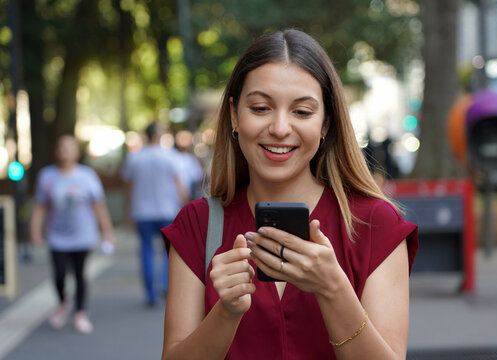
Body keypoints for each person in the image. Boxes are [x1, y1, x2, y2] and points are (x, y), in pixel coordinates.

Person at [161, 29, 418, 359]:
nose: (280, 128)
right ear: (235, 114)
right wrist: (226, 312)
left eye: (302, 112)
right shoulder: (197, 224)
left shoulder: (374, 224)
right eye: (260, 108)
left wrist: (333, 289)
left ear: (326, 124)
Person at [30, 135, 115, 334]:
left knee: (79, 274)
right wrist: (35, 230)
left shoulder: (87, 176)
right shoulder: (47, 176)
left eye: (70, 147)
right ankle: (62, 302)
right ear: (56, 151)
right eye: (62, 147)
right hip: (57, 236)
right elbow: (40, 207)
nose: (66, 151)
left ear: (77, 152)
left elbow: (99, 207)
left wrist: (108, 233)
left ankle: (80, 313)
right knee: (59, 274)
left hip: (83, 236)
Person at [122, 122, 189, 306]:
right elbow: (180, 186)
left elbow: (129, 186)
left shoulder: (134, 158)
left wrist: (128, 209)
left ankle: (150, 293)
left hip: (142, 212)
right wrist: (185, 206)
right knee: (169, 252)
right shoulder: (171, 157)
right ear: (159, 135)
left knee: (146, 250)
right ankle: (167, 285)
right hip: (167, 210)